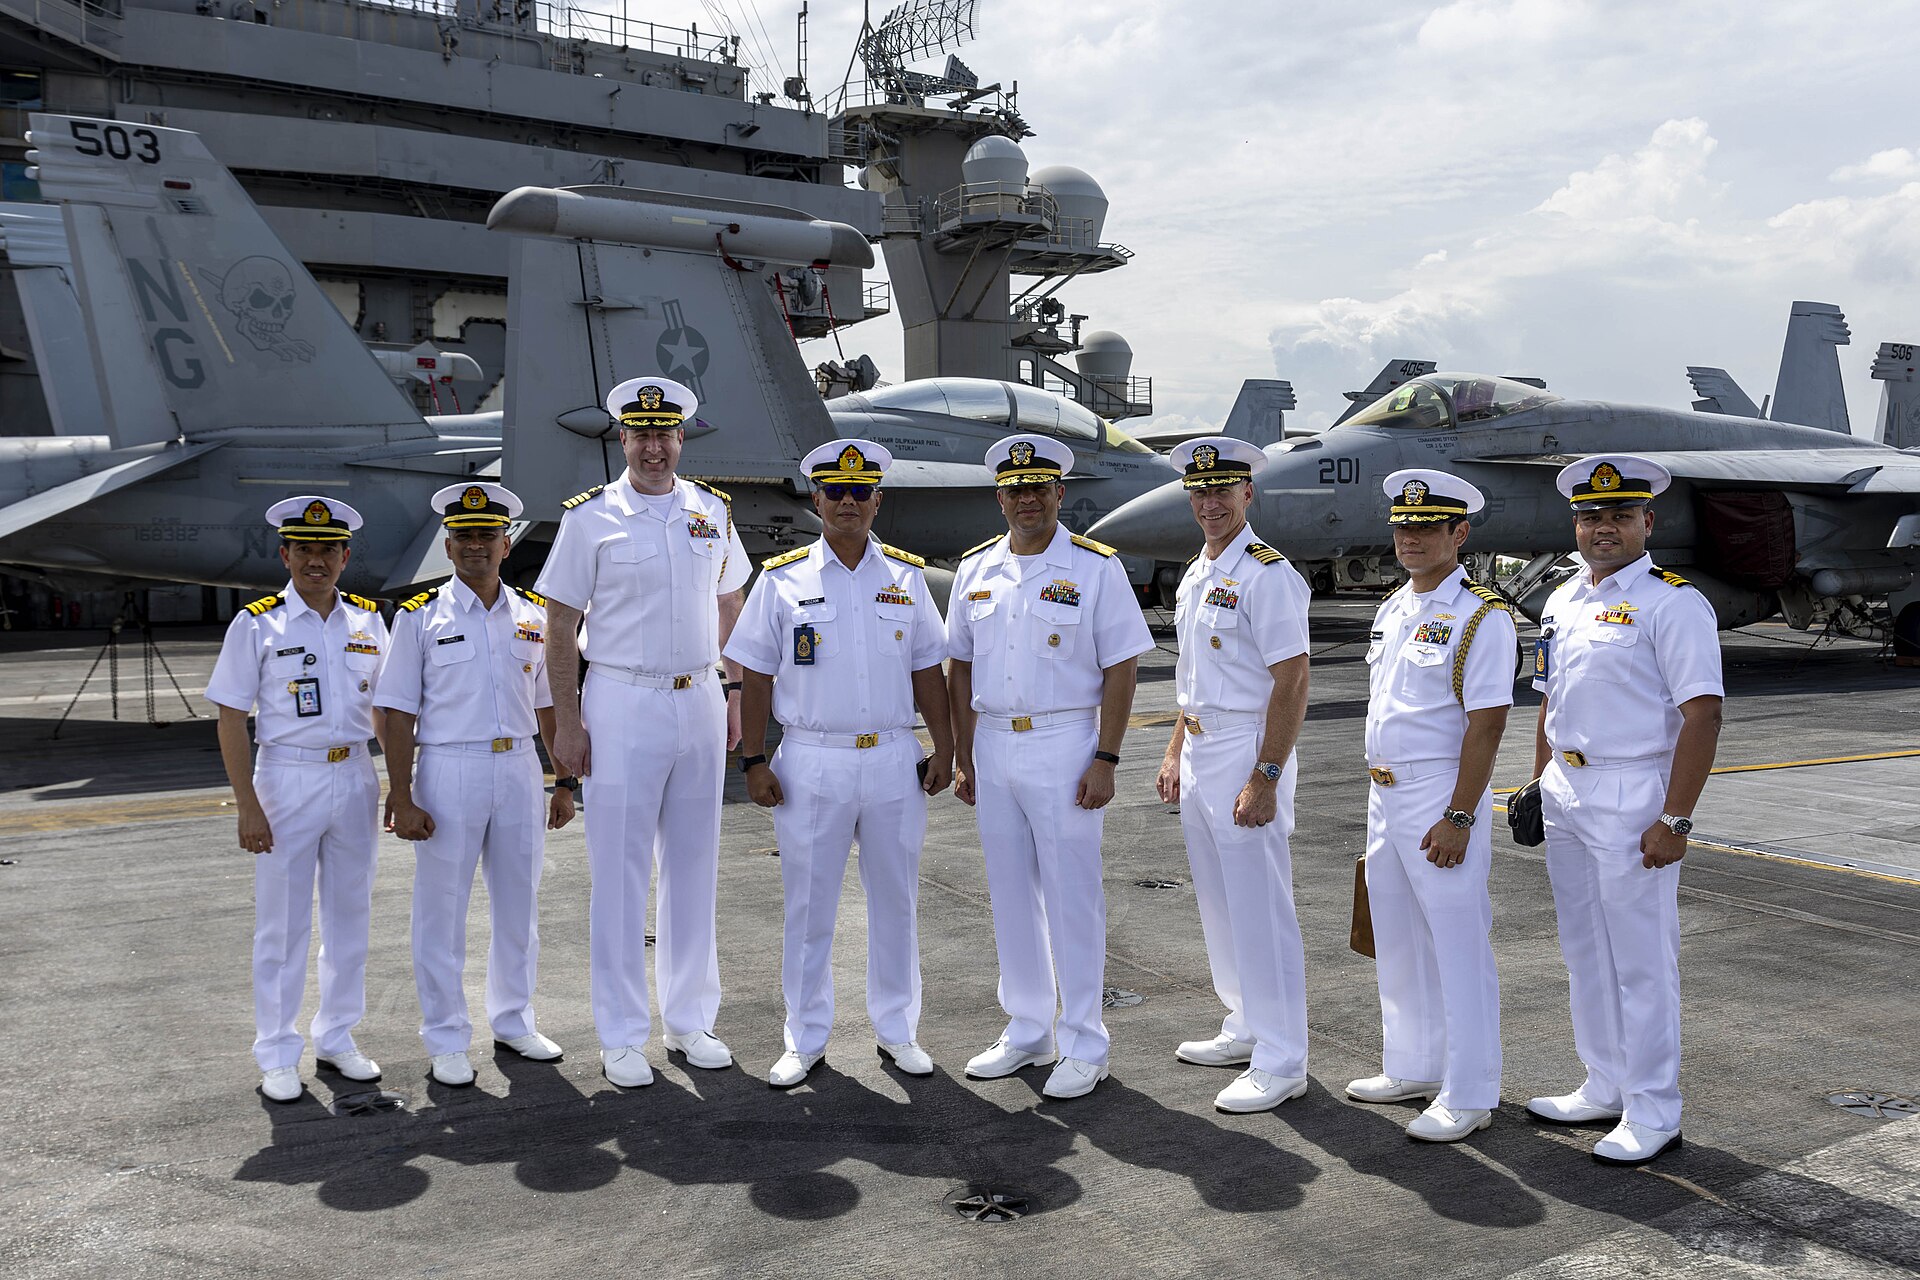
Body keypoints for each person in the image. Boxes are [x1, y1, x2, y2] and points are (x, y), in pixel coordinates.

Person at [536, 375, 751, 1089]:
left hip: (699, 697)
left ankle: (689, 1023)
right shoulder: (590, 518)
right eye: (641, 434)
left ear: (680, 439)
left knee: (694, 870)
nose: (653, 446)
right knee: (621, 876)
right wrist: (567, 720)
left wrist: (739, 695)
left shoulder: (711, 511)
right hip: (621, 700)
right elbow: (560, 624)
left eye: (665, 434)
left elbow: (731, 602)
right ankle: (623, 1034)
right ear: (622, 439)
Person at [724, 439, 955, 1089]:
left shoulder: (907, 579)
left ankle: (898, 1028)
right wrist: (754, 759)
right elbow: (756, 673)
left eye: (861, 493)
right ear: (816, 499)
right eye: (835, 491)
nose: (847, 503)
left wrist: (947, 748)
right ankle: (804, 1038)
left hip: (890, 757)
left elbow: (928, 673)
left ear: (877, 501)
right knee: (809, 906)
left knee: (896, 901)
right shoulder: (782, 578)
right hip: (811, 760)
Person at [1527, 454, 1723, 1165]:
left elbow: (1702, 715)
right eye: (1590, 516)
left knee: (1641, 960)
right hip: (1567, 791)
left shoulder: (1673, 602)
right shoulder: (1562, 598)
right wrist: (1535, 780)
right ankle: (1604, 1082)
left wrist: (1676, 819)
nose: (1602, 528)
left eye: (1617, 516)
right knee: (1584, 950)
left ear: (1648, 522)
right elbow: (1550, 696)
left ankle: (1653, 1108)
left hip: (1633, 791)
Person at [947, 434, 1154, 1100]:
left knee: (1071, 895)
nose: (1027, 499)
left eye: (1039, 487)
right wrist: (961, 753)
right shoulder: (975, 569)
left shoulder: (1095, 567)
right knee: (1009, 894)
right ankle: (1028, 1028)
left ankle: (1085, 1040)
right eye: (1015, 488)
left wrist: (1107, 755)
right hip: (994, 744)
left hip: (1067, 742)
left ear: (1059, 494)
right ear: (999, 496)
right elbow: (960, 667)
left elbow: (1122, 665)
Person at [376, 483, 577, 1087]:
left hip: (518, 769)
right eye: (464, 536)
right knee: (442, 911)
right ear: (448, 544)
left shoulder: (532, 616)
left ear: (506, 542)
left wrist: (562, 780)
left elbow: (547, 707)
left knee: (520, 906)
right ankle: (445, 1037)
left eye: (486, 535)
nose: (475, 546)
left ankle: (514, 1020)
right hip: (448, 769)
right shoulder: (419, 618)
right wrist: (402, 793)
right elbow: (396, 712)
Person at [1346, 469, 1515, 1142]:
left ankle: (1471, 1091)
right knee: (1396, 936)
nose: (1412, 539)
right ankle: (1413, 1063)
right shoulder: (1394, 608)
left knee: (1457, 944)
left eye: (1427, 528)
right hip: (1383, 794)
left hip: (1439, 792)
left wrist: (1462, 814)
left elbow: (1488, 723)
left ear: (1459, 533)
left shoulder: (1481, 615)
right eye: (1404, 527)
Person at [205, 495, 388, 1103]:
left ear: (345, 555)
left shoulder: (368, 621)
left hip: (356, 776)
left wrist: (399, 787)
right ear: (284, 554)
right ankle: (278, 1052)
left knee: (349, 918)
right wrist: (247, 806)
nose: (317, 561)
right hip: (285, 779)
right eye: (304, 549)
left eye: (328, 550)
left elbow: (386, 709)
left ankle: (337, 1038)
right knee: (281, 926)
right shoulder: (257, 623)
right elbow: (230, 718)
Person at [1152, 438, 1313, 1114]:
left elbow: (1293, 678)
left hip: (1247, 750)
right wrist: (1171, 750)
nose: (1211, 502)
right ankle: (1246, 1022)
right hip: (1199, 748)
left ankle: (1283, 1059)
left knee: (1260, 907)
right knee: (1220, 903)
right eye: (1201, 491)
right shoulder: (1199, 571)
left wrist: (1266, 775)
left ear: (1249, 494)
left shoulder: (1266, 573)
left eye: (1225, 489)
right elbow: (1193, 678)